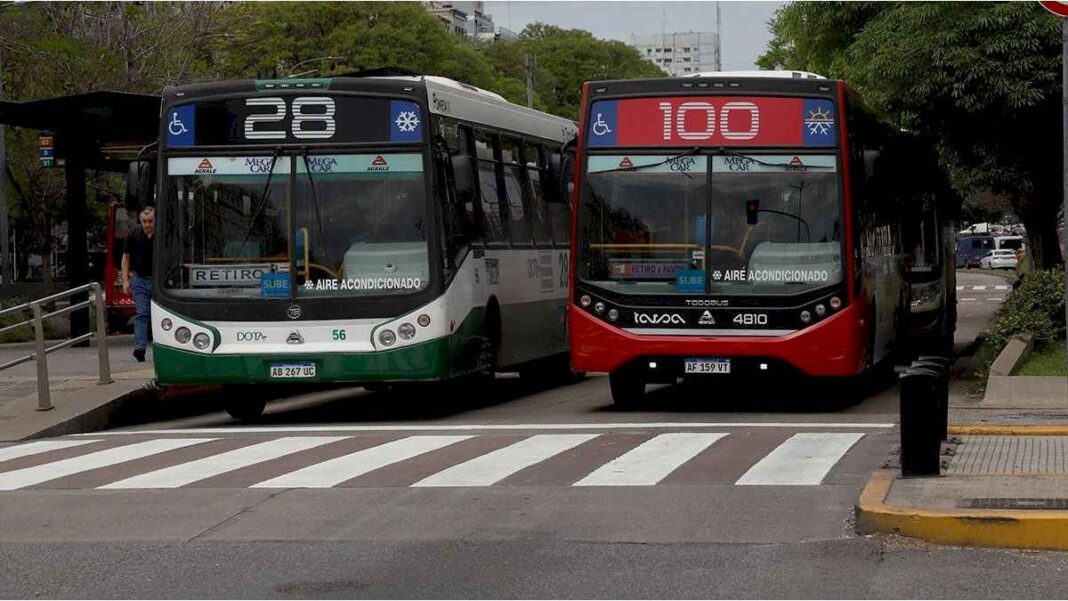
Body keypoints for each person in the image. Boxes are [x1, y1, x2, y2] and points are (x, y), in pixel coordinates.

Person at [122, 206, 155, 362]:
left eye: (150, 221)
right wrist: (125, 280)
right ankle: (140, 347)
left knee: (158, 315)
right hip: (140, 279)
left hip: (157, 280)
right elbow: (126, 257)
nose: (147, 224)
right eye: (144, 221)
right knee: (142, 313)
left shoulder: (162, 234)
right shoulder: (134, 234)